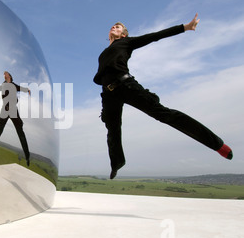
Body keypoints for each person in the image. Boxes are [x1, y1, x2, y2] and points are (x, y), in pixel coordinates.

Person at [93, 14, 233, 179]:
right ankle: (117, 162)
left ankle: (217, 145)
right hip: (108, 94)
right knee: (112, 128)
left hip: (126, 85)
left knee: (164, 115)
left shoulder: (127, 42)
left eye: (118, 27)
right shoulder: (104, 52)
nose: (113, 27)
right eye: (113, 26)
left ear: (124, 34)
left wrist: (185, 27)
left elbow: (155, 36)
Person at [0, 71, 31, 166]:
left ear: (10, 76)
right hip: (5, 108)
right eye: (3, 74)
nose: (4, 75)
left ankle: (27, 156)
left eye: (6, 73)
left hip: (12, 109)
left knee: (20, 132)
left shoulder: (14, 85)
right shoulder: (3, 85)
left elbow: (21, 88)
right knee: (0, 126)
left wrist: (27, 90)